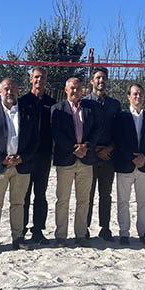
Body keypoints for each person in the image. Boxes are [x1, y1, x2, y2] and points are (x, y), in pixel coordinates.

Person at [0, 78, 40, 254]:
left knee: (18, 203)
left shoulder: (28, 112)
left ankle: (18, 237)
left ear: (18, 91)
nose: (9, 92)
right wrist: (2, 158)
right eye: (6, 89)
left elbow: (35, 139)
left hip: (22, 165)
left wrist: (23, 158)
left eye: (13, 89)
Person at [50, 77, 101, 247]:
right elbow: (57, 134)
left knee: (83, 200)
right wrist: (74, 148)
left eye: (78, 88)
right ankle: (61, 236)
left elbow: (96, 130)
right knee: (63, 200)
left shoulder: (91, 108)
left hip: (86, 159)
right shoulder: (57, 109)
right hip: (66, 159)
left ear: (83, 90)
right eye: (72, 88)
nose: (75, 91)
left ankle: (81, 235)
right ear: (66, 90)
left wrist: (85, 146)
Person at [112, 83, 145, 246]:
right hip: (126, 164)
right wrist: (132, 158)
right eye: (134, 94)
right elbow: (118, 140)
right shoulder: (122, 117)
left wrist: (144, 157)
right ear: (128, 97)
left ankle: (143, 232)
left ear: (143, 96)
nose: (137, 97)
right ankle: (124, 233)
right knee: (123, 201)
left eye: (140, 94)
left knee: (143, 202)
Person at [19, 67, 56, 244]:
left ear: (46, 80)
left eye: (42, 77)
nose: (39, 80)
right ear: (30, 79)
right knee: (24, 195)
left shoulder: (52, 103)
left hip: (44, 154)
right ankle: (21, 229)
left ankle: (38, 230)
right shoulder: (22, 102)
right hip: (26, 155)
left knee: (40, 194)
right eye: (36, 77)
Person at [85, 67, 121, 241]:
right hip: (90, 155)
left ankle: (105, 228)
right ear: (92, 81)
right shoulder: (84, 102)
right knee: (88, 194)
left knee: (105, 194)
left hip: (109, 156)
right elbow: (82, 131)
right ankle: (84, 228)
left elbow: (119, 131)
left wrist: (110, 148)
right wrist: (94, 149)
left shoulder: (114, 104)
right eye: (98, 77)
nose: (101, 80)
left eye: (104, 78)